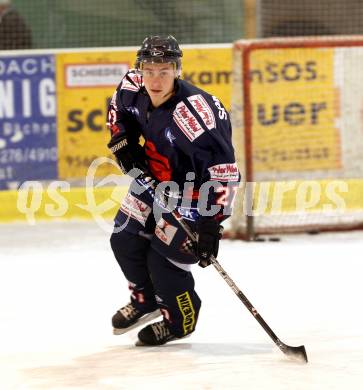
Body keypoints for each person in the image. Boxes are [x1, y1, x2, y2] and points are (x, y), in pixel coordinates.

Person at [106, 35, 240, 346]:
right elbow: (118, 114)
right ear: (139, 69)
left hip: (195, 194)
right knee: (123, 239)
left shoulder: (196, 116)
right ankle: (145, 300)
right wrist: (123, 143)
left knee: (162, 261)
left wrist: (210, 227)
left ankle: (180, 321)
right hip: (152, 179)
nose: (155, 79)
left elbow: (225, 173)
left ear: (177, 71)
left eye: (164, 71)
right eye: (149, 70)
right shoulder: (130, 87)